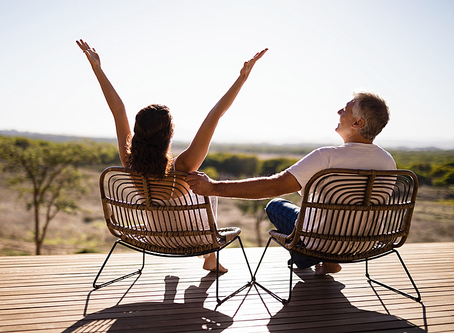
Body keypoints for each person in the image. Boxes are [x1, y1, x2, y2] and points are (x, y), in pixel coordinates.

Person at [76, 39, 267, 273]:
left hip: (152, 238)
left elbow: (118, 110)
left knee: (199, 184)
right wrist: (242, 78)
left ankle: (209, 259)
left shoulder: (130, 162)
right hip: (194, 242)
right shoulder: (183, 166)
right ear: (170, 135)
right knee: (203, 182)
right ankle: (211, 257)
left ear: (137, 133)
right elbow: (214, 116)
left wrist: (98, 69)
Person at [186, 92, 396, 275]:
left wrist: (213, 187)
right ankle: (326, 261)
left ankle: (318, 258)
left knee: (276, 205)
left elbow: (274, 186)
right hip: (366, 243)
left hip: (321, 243)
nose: (339, 111)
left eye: (345, 110)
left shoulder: (326, 157)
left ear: (358, 123)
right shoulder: (388, 161)